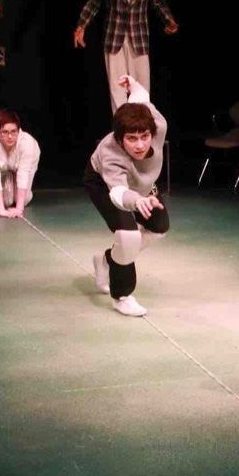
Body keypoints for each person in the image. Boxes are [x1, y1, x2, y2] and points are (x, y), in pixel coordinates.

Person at [83, 75, 168, 317]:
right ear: (120, 139)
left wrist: (133, 85)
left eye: (144, 137)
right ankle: (121, 296)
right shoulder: (111, 153)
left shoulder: (158, 124)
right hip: (104, 183)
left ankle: (108, 260)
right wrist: (138, 201)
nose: (140, 145)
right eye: (131, 139)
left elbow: (141, 98)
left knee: (159, 227)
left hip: (141, 182)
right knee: (128, 236)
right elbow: (118, 192)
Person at [72, 0, 179, 112]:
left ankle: (143, 127)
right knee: (117, 89)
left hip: (139, 37)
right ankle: (121, 127)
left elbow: (158, 1)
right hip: (114, 37)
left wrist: (169, 21)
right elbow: (95, 0)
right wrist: (81, 25)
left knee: (142, 88)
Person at [0, 108, 40, 218]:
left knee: (23, 200)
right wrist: (1, 210)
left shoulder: (27, 143)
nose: (10, 136)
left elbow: (23, 174)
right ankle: (9, 180)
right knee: (6, 202)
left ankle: (19, 189)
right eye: (5, 132)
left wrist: (19, 209)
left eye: (13, 131)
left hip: (25, 164)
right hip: (2, 166)